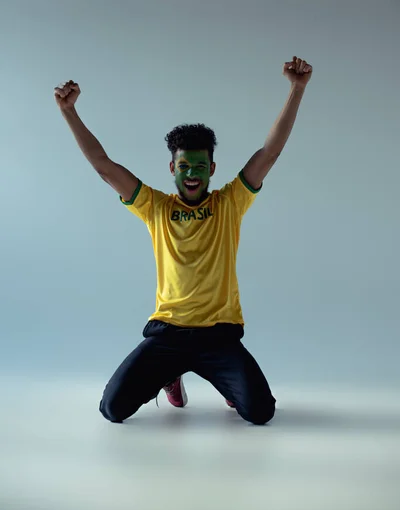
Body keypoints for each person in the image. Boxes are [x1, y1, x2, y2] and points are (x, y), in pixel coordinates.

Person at [54, 55, 313, 425]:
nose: (192, 174)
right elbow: (104, 167)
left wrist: (297, 90)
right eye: (184, 167)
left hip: (219, 338)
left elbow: (269, 153)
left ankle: (225, 381)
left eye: (200, 166)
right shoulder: (155, 208)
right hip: (168, 335)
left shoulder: (229, 203)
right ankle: (169, 376)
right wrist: (69, 112)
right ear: (173, 169)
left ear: (212, 169)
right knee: (111, 410)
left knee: (260, 412)